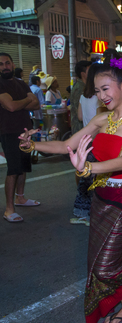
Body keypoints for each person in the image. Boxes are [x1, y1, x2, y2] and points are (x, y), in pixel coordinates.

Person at [18, 56, 122, 323]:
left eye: (106, 88)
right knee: (99, 260)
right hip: (100, 197)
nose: (101, 95)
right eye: (96, 91)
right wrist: (33, 146)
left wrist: (87, 170)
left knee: (105, 264)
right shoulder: (101, 119)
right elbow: (66, 146)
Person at [0, 52, 40, 223]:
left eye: (7, 63)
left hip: (25, 131)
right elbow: (10, 106)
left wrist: (21, 102)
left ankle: (20, 198)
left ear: (13, 64)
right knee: (14, 169)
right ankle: (9, 209)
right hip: (8, 131)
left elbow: (36, 103)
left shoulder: (21, 83)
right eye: (0, 64)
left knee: (23, 166)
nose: (4, 67)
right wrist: (26, 100)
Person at [70, 61, 92, 135]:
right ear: (83, 74)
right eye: (90, 70)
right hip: (79, 129)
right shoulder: (79, 89)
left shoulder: (86, 87)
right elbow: (79, 114)